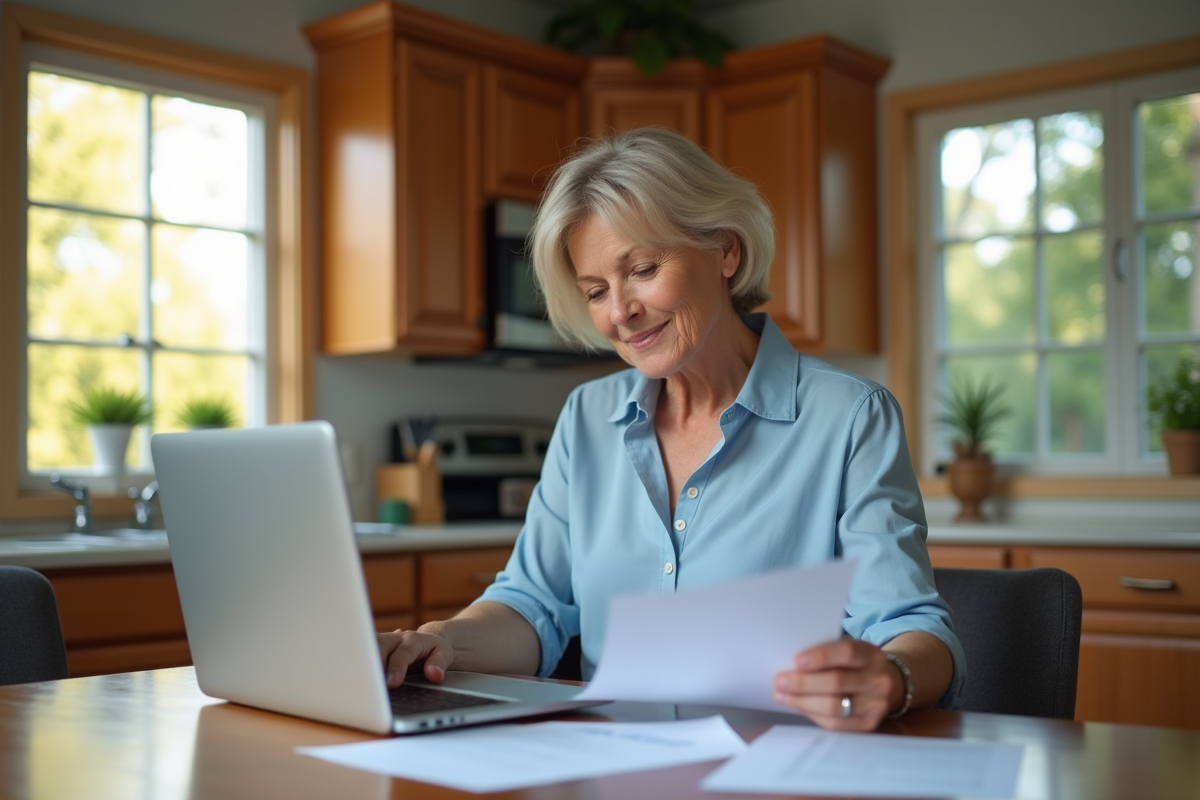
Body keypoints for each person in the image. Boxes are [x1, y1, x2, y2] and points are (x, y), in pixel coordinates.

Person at [379, 127, 965, 731]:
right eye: (596, 291)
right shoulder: (586, 417)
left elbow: (911, 627)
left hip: (778, 760)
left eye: (643, 269)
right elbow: (533, 606)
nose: (620, 311)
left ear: (726, 251)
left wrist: (892, 676)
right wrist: (443, 640)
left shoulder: (850, 417)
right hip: (615, 758)